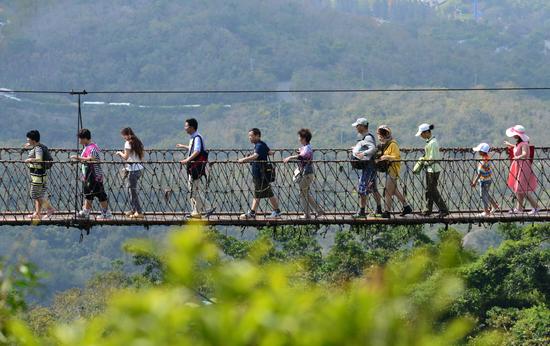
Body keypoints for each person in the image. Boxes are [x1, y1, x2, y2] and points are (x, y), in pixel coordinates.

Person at [238, 128, 281, 219]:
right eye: (249, 136)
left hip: (260, 173)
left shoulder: (259, 145)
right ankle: (256, 212)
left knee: (262, 192)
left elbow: (256, 156)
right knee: (262, 192)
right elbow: (269, 152)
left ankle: (255, 213)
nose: (250, 138)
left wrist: (243, 160)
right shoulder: (261, 144)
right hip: (261, 173)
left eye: (251, 136)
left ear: (257, 136)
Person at [176, 118, 214, 219]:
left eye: (186, 126)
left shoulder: (197, 138)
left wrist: (187, 160)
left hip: (195, 167)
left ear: (192, 127)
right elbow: (193, 148)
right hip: (193, 167)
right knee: (193, 190)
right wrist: (183, 146)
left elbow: (197, 151)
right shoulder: (194, 137)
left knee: (193, 190)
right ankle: (196, 212)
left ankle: (208, 207)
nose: (185, 128)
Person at [71, 129, 112, 220]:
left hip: (94, 175)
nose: (79, 141)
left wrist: (78, 158)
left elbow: (91, 158)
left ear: (85, 138)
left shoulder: (92, 148)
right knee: (88, 193)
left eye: (80, 139)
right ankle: (86, 211)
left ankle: (105, 213)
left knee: (99, 193)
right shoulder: (88, 147)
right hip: (88, 174)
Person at [283, 128, 324, 219]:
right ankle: (318, 210)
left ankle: (307, 214)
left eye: (300, 137)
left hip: (307, 174)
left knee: (302, 193)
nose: (299, 139)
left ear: (304, 138)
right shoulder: (306, 147)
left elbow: (302, 156)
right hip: (307, 173)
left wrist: (290, 157)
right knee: (304, 193)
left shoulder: (307, 148)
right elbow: (302, 154)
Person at [375, 125, 412, 218]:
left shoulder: (393, 144)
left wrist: (387, 157)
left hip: (393, 170)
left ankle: (387, 212)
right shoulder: (385, 145)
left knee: (388, 192)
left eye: (382, 134)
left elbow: (397, 157)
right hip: (389, 170)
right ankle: (406, 206)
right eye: (380, 134)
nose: (381, 136)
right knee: (394, 190)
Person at [413, 123, 449, 217]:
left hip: (433, 170)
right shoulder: (430, 142)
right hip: (431, 169)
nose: (421, 136)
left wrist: (423, 162)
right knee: (429, 190)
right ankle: (427, 210)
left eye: (422, 134)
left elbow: (432, 159)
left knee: (433, 191)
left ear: (427, 132)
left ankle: (443, 210)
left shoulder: (433, 143)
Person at [351, 117, 382, 218]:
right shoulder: (366, 138)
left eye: (357, 126)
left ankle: (362, 211)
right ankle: (379, 209)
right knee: (373, 188)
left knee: (362, 187)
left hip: (368, 167)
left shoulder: (367, 138)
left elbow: (372, 150)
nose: (356, 127)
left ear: (362, 126)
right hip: (371, 166)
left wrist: (362, 153)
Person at [504, 125, 539, 214]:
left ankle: (536, 207)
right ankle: (519, 209)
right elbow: (518, 148)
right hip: (520, 166)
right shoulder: (520, 143)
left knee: (522, 188)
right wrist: (510, 145)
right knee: (518, 188)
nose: (513, 136)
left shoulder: (524, 144)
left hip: (524, 166)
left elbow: (525, 153)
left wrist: (517, 157)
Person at [24, 130, 56, 219]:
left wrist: (30, 160)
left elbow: (39, 159)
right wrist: (30, 146)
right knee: (39, 196)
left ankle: (50, 209)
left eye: (28, 139)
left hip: (38, 177)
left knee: (34, 195)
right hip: (41, 176)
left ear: (33, 140)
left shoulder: (38, 148)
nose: (27, 140)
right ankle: (37, 214)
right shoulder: (39, 146)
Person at [116, 127, 145, 219]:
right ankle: (133, 209)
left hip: (133, 170)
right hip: (138, 168)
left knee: (132, 191)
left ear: (127, 134)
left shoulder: (128, 143)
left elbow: (125, 157)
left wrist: (119, 153)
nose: (123, 138)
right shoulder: (137, 141)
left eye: (124, 136)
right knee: (129, 189)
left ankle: (139, 212)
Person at [470, 143, 499, 216]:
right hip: (488, 179)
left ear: (483, 152)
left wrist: (474, 181)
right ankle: (495, 206)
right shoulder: (487, 158)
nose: (478, 152)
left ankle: (486, 211)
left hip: (484, 181)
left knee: (483, 196)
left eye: (479, 151)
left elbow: (480, 172)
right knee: (486, 194)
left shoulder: (483, 161)